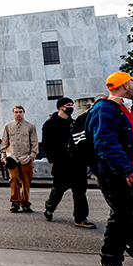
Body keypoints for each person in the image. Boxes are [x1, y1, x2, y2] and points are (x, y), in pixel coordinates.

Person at [86, 72, 133, 266]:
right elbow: (105, 143)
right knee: (122, 216)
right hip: (117, 175)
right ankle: (110, 261)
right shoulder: (105, 109)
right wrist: (127, 169)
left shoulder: (128, 108)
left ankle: (127, 239)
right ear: (125, 86)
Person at [42, 97, 95, 228]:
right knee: (59, 188)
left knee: (80, 190)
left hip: (77, 162)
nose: (70, 107)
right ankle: (49, 208)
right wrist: (52, 160)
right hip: (61, 162)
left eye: (71, 104)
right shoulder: (50, 123)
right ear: (61, 107)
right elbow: (46, 143)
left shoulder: (74, 123)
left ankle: (81, 218)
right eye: (68, 105)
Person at [1, 105, 39, 213]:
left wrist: (32, 155)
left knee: (26, 182)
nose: (18, 114)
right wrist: (3, 156)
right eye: (16, 112)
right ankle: (15, 203)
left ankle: (25, 203)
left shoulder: (30, 126)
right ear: (13, 113)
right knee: (13, 180)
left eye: (20, 112)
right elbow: (5, 142)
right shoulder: (8, 126)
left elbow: (34, 142)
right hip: (12, 157)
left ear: (24, 112)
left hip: (26, 157)